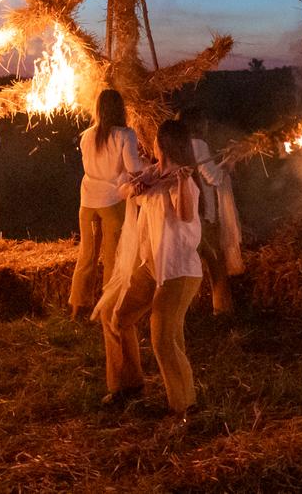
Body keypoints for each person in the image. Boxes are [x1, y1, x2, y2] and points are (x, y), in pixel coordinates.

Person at [96, 117, 203, 413]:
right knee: (115, 314)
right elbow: (121, 192)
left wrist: (182, 182)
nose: (152, 144)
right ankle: (128, 384)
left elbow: (185, 216)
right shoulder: (153, 173)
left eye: (155, 140)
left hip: (178, 271)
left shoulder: (184, 182)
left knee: (163, 338)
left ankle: (185, 407)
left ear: (162, 144)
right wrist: (135, 187)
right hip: (151, 266)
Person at [69, 89, 150, 321]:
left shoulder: (86, 136)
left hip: (87, 203)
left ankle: (77, 306)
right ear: (120, 109)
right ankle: (107, 308)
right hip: (112, 201)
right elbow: (134, 169)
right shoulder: (126, 134)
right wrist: (146, 162)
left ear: (98, 109)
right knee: (112, 257)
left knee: (86, 254)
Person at [190, 129, 243, 317]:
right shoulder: (197, 144)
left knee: (188, 265)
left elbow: (205, 171)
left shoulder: (173, 145)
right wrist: (229, 162)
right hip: (203, 216)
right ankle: (222, 311)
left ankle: (189, 311)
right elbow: (213, 178)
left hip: (184, 217)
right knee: (216, 263)